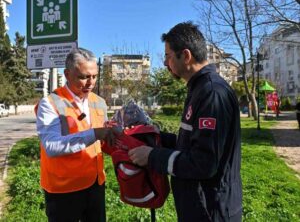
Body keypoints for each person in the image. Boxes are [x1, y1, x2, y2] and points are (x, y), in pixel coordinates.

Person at [128, 22, 242, 222]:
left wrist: (153, 156)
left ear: (186, 56)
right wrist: (152, 135)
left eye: (168, 56)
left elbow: (204, 163)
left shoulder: (212, 93)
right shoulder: (198, 89)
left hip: (211, 209)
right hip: (197, 205)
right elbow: (191, 144)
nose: (165, 63)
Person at [36, 48, 119, 222]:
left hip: (95, 185)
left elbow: (102, 142)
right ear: (67, 74)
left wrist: (121, 138)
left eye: (94, 76)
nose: (91, 82)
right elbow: (51, 146)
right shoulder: (50, 103)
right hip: (63, 190)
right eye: (83, 77)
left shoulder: (99, 102)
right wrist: (95, 134)